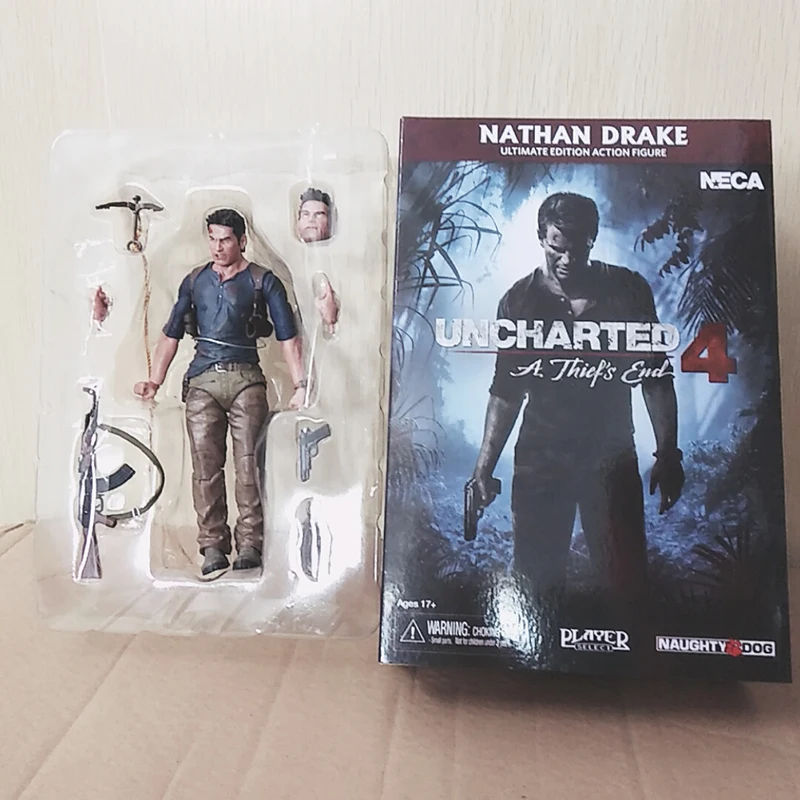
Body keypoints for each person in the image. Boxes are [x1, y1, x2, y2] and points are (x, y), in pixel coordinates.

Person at [469, 192, 685, 612]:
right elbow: (506, 391)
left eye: (579, 247)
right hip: (540, 461)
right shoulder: (519, 301)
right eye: (557, 246)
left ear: (593, 238)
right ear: (541, 238)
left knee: (625, 585)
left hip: (611, 461)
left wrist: (668, 454)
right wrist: (483, 469)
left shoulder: (628, 290)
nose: (568, 259)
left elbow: (655, 377)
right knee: (534, 587)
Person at [134, 208, 306, 575]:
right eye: (212, 239)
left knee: (249, 467)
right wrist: (154, 380)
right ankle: (212, 545)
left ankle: (251, 543)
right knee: (205, 469)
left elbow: (288, 337)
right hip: (202, 381)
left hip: (246, 380)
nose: (217, 247)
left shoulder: (263, 281)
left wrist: (300, 384)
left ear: (242, 241)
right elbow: (171, 334)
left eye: (225, 239)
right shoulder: (195, 281)